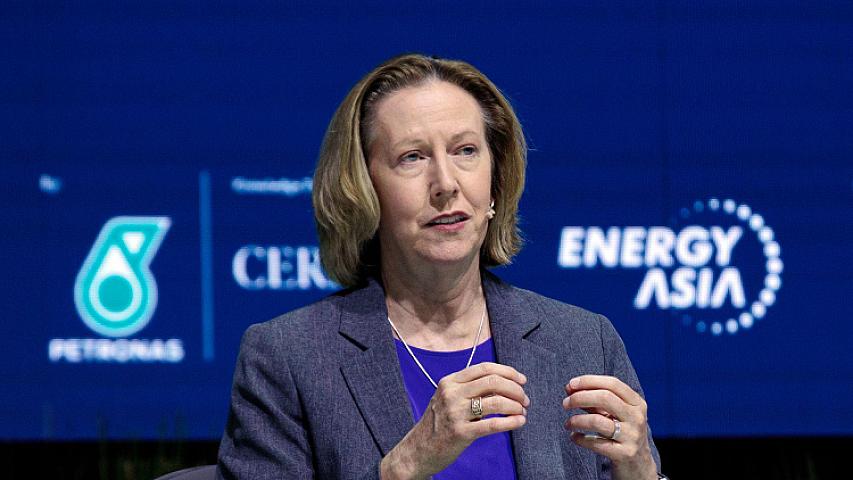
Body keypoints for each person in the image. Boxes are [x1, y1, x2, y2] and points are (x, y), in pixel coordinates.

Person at [216, 53, 664, 480]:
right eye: (412, 157)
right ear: (364, 189)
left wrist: (641, 470)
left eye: (465, 150)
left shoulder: (584, 343)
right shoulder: (288, 358)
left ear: (495, 180)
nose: (446, 184)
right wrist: (406, 465)